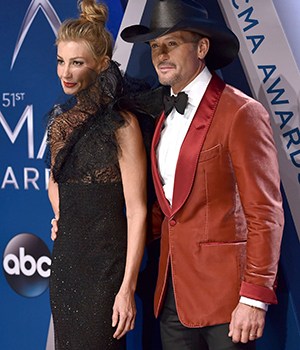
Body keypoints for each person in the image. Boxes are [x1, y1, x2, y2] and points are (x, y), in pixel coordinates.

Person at [121, 0, 284, 349]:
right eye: (154, 46)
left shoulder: (241, 112)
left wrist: (254, 297)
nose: (160, 54)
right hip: (171, 298)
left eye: (172, 43)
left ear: (202, 47)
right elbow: (168, 208)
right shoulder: (164, 117)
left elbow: (265, 213)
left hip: (227, 301)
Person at [47, 1, 148, 348]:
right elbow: (54, 182)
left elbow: (137, 210)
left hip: (106, 273)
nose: (66, 73)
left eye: (77, 63)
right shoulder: (59, 123)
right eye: (61, 61)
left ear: (102, 64)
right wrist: (64, 216)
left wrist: (127, 288)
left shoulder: (122, 125)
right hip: (66, 269)